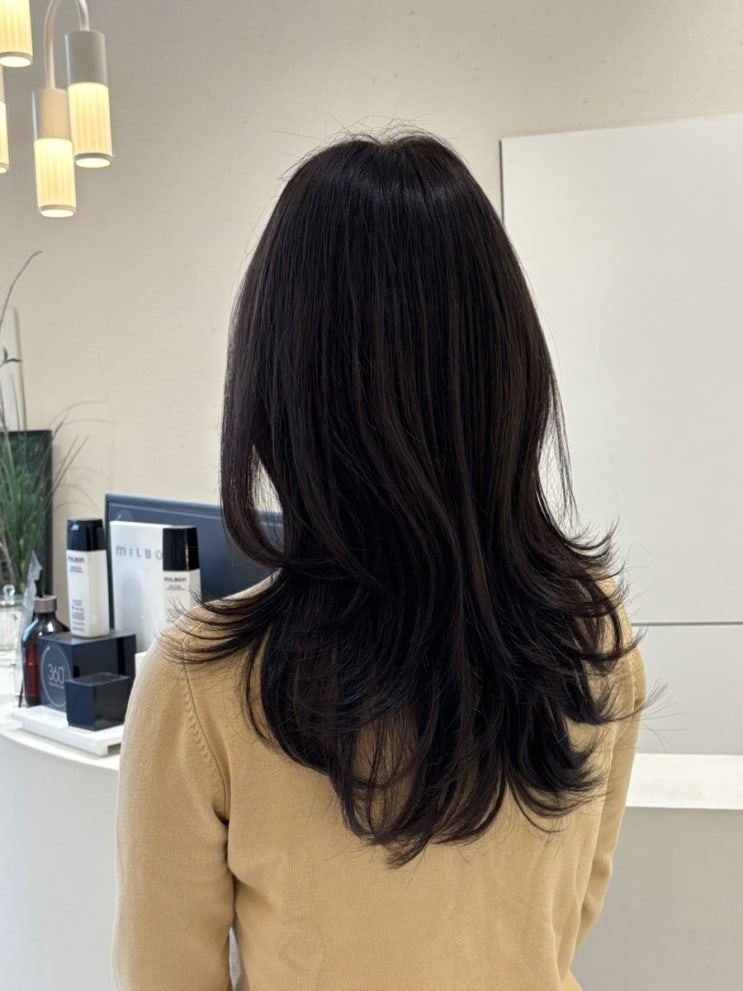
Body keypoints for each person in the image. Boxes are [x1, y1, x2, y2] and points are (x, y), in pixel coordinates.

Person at [113, 132, 645, 991]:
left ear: (279, 392)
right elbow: (564, 921)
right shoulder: (593, 630)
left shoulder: (199, 686)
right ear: (507, 373)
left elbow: (161, 977)